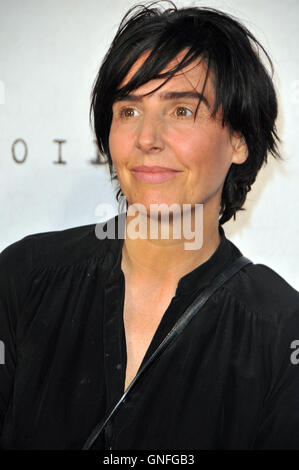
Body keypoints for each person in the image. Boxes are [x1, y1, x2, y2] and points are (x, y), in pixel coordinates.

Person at [1, 0, 299, 450]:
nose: (146, 138)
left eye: (181, 111)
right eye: (129, 111)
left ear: (240, 139)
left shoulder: (280, 330)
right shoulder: (24, 278)